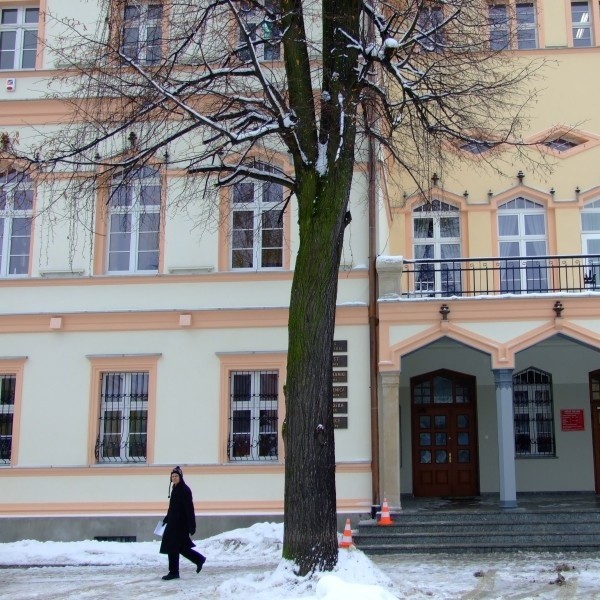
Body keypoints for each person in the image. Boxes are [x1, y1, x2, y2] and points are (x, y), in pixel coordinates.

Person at [159, 466, 206, 580]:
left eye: (176, 476)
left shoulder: (185, 490)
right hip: (172, 523)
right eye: (172, 476)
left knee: (175, 547)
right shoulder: (175, 488)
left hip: (181, 525)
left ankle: (174, 572)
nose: (174, 478)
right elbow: (172, 508)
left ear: (180, 477)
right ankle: (198, 560)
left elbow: (189, 509)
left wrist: (192, 525)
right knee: (178, 547)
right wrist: (166, 518)